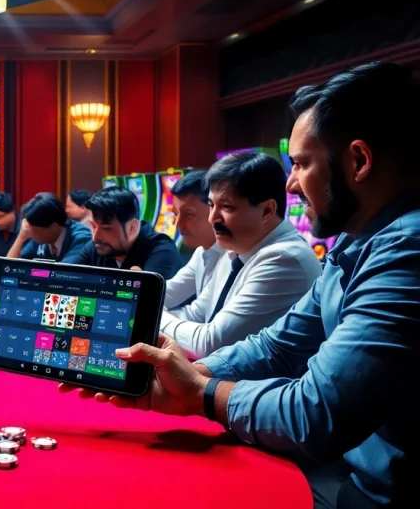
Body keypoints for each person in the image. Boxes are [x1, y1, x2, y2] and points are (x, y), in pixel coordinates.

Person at [65, 62, 420, 509]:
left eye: (302, 164)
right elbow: (279, 345)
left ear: (359, 161)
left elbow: (316, 412)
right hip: (352, 473)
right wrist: (194, 375)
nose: (292, 182)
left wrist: (201, 394)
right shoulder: (356, 239)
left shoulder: (407, 249)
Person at [158, 153, 322, 358]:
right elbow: (197, 315)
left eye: (226, 207)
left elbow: (209, 343)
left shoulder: (284, 259)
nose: (212, 218)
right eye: (211, 205)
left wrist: (151, 317)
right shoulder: (235, 250)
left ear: (267, 211)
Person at [73, 187, 183, 278]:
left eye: (106, 229)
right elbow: (64, 276)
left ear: (132, 228)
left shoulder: (162, 251)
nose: (96, 237)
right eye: (93, 226)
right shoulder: (97, 246)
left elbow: (147, 300)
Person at [164, 170, 226, 313]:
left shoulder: (233, 256)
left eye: (189, 215)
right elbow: (166, 294)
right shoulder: (201, 252)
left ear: (215, 211)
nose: (177, 224)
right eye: (175, 214)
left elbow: (196, 316)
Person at [7, 192, 91, 264]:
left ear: (54, 225)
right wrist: (21, 238)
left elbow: (62, 274)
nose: (30, 233)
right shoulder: (41, 236)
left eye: (35, 231)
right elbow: (8, 266)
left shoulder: (81, 238)